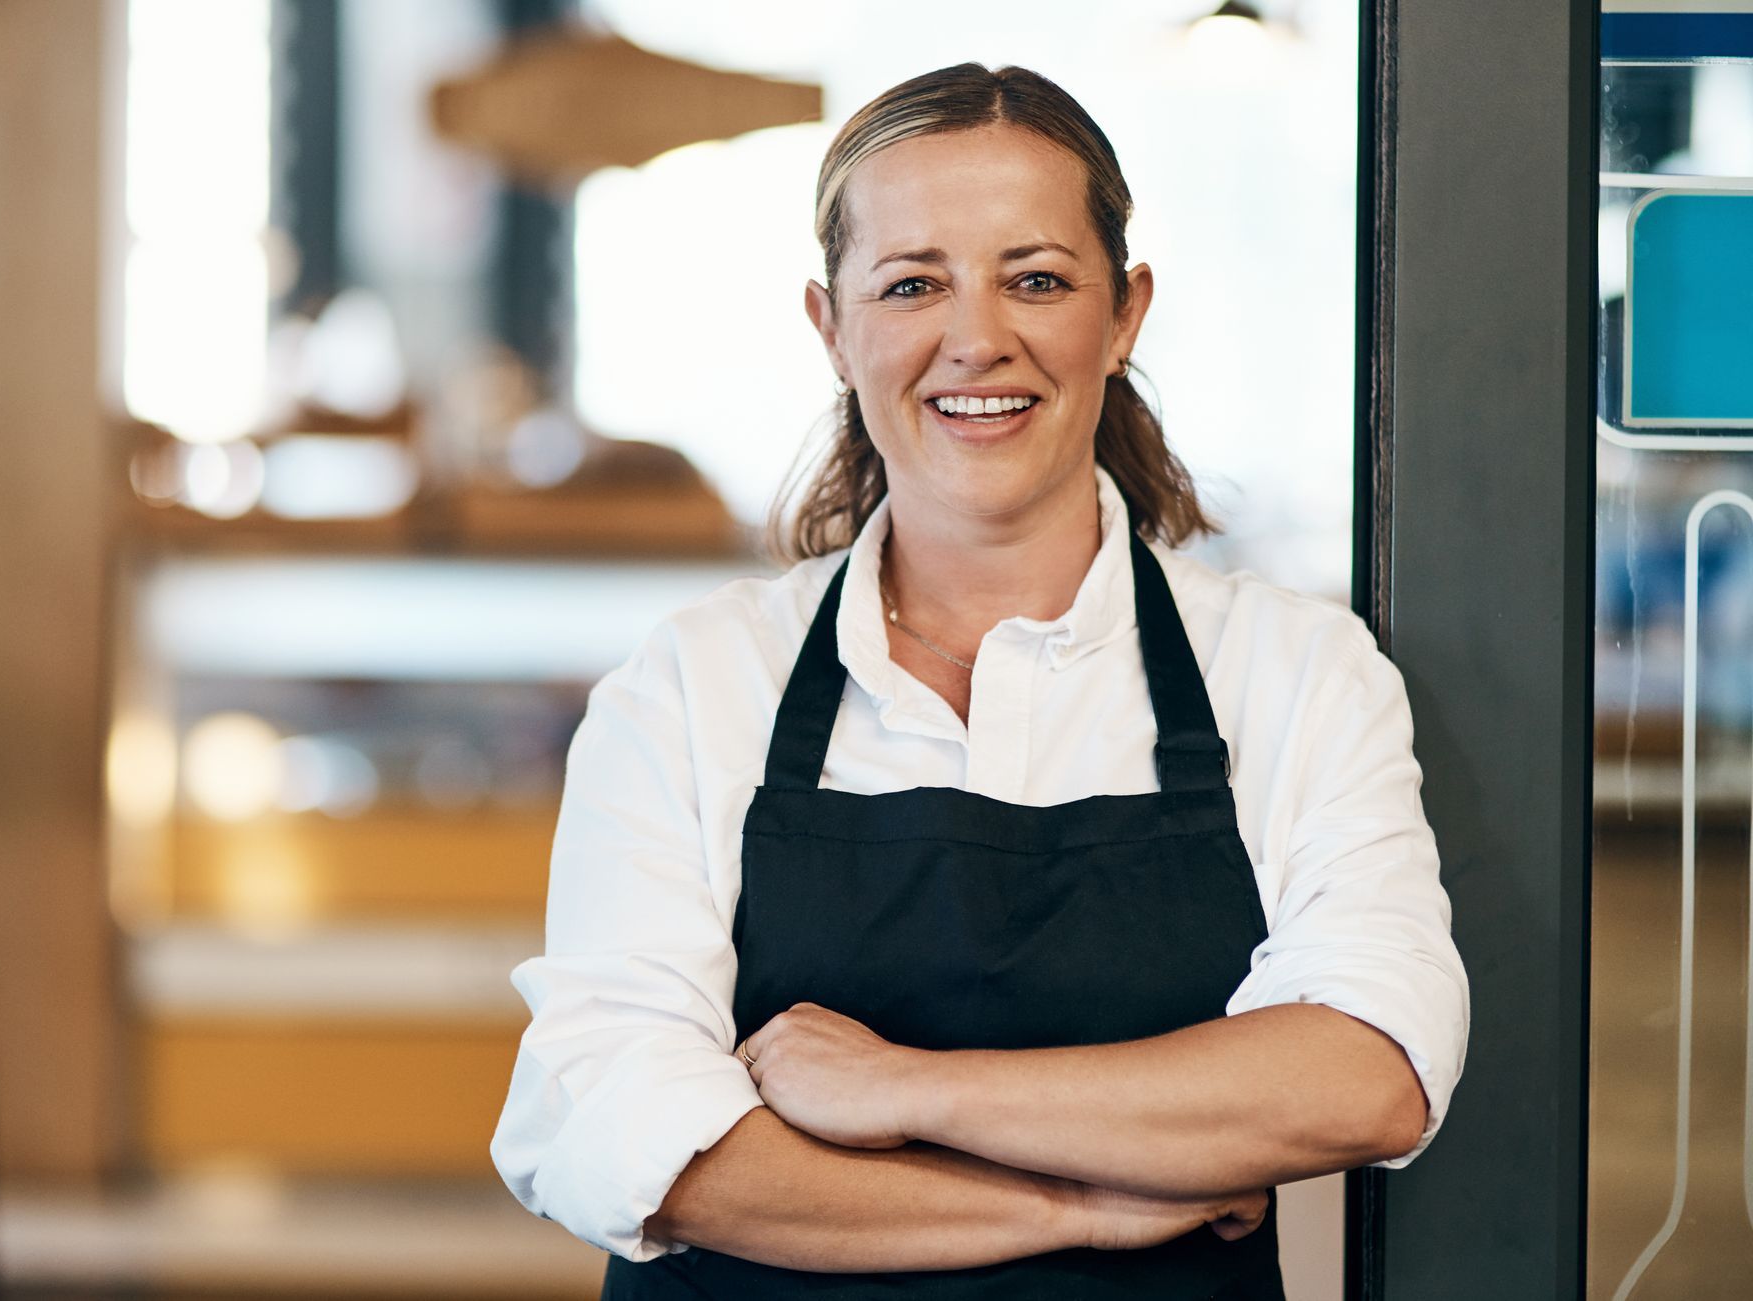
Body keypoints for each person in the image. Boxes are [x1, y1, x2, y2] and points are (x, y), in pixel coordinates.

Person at [490, 61, 1469, 1299]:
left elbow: (1365, 1073)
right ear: (831, 327)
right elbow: (630, 1142)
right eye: (912, 284)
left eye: (1038, 279)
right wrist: (1088, 1205)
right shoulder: (691, 687)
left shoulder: (1293, 672)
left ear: (1123, 315)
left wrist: (902, 1087)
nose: (976, 338)